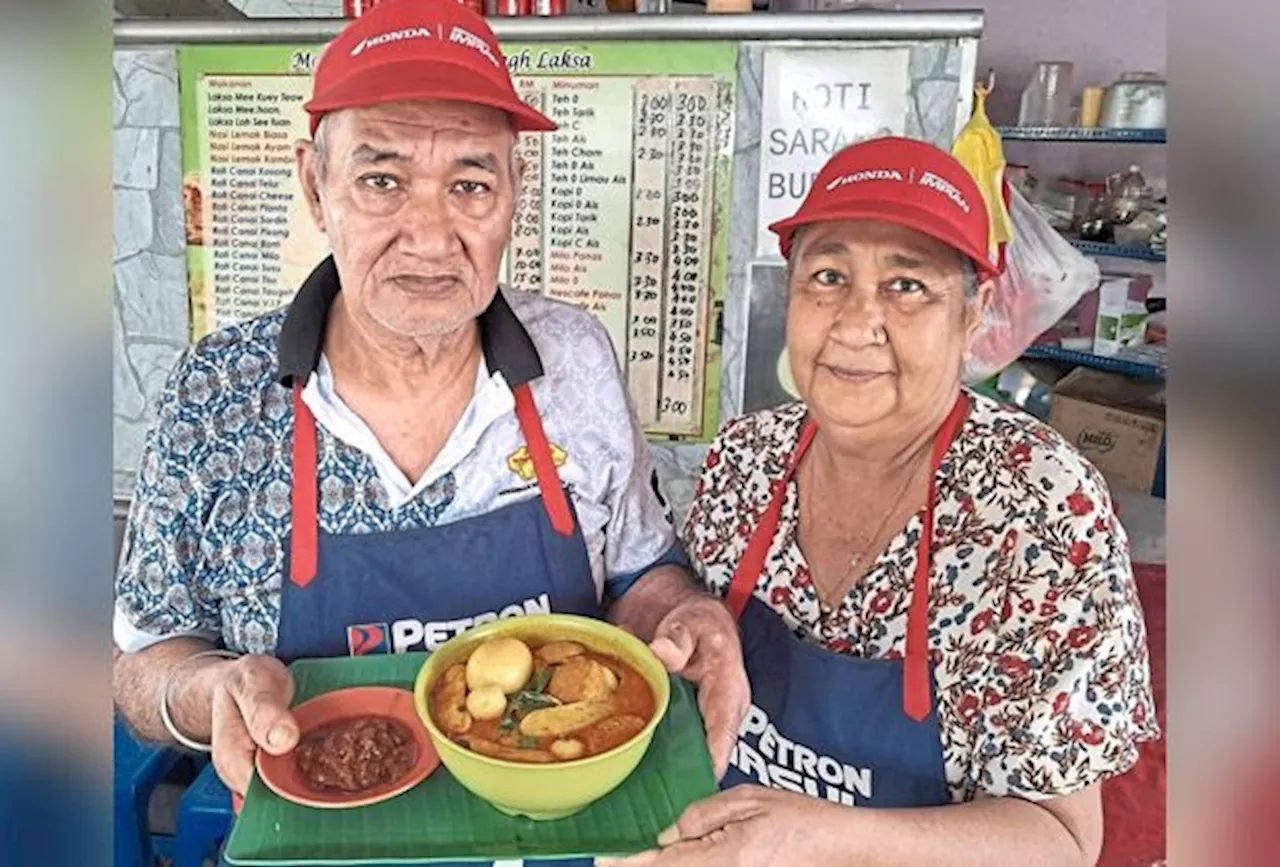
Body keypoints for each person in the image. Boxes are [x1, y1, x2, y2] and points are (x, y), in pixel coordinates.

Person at [110, 0, 748, 838]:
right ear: (314, 185)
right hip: (316, 848)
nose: (430, 233)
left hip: (560, 835)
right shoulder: (219, 393)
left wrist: (682, 620)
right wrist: (206, 693)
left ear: (515, 193)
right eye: (382, 180)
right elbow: (141, 664)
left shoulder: (575, 364)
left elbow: (638, 577)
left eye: (470, 184)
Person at [608, 138, 1159, 866]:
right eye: (828, 276)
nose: (855, 322)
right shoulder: (747, 458)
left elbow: (1062, 839)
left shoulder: (1042, 510)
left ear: (975, 312)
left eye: (908, 286)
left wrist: (824, 835)